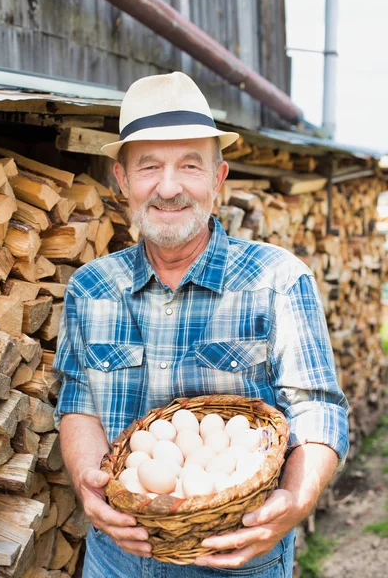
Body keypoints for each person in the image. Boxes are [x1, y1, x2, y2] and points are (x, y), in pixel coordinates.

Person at [53, 71, 349, 578]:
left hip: (238, 556)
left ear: (218, 177)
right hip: (117, 558)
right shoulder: (90, 289)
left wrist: (296, 501)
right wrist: (86, 479)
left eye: (190, 165)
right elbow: (78, 402)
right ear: (121, 180)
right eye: (149, 166)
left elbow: (317, 408)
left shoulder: (277, 280)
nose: (169, 188)